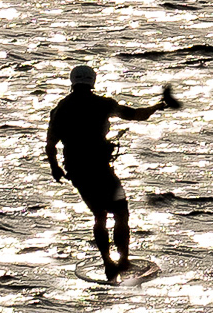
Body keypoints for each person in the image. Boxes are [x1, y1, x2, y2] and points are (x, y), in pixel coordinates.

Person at [45, 63, 179, 277]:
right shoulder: (102, 105)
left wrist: (55, 168)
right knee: (121, 212)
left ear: (73, 82)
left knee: (99, 215)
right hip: (101, 169)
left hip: (77, 171)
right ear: (92, 81)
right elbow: (136, 115)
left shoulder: (60, 109)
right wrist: (156, 106)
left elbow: (50, 145)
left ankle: (108, 262)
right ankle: (123, 260)